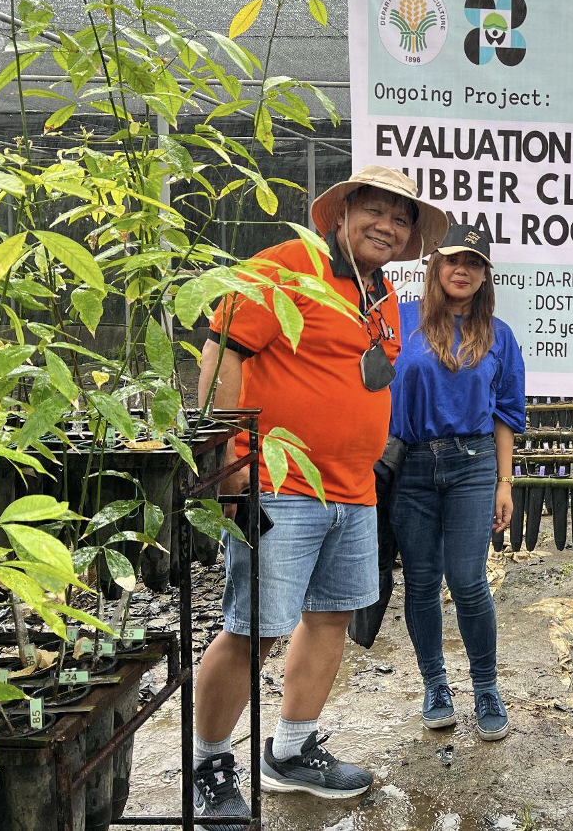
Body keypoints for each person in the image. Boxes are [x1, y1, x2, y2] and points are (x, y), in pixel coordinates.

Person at [186, 166, 447, 817]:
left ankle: (291, 751)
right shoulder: (286, 264)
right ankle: (208, 763)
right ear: (341, 212)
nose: (387, 225)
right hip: (279, 482)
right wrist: (228, 457)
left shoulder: (380, 292)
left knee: (329, 618)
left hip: (354, 491)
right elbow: (221, 351)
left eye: (401, 217)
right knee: (252, 629)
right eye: (375, 210)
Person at [385, 222, 526, 741]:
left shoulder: (500, 336)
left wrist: (505, 483)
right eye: (452, 260)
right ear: (435, 266)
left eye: (473, 262)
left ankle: (486, 687)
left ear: (485, 273)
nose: (461, 269)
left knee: (467, 580)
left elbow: (507, 415)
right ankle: (435, 684)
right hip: (413, 467)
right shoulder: (401, 321)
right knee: (421, 582)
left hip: (473, 465)